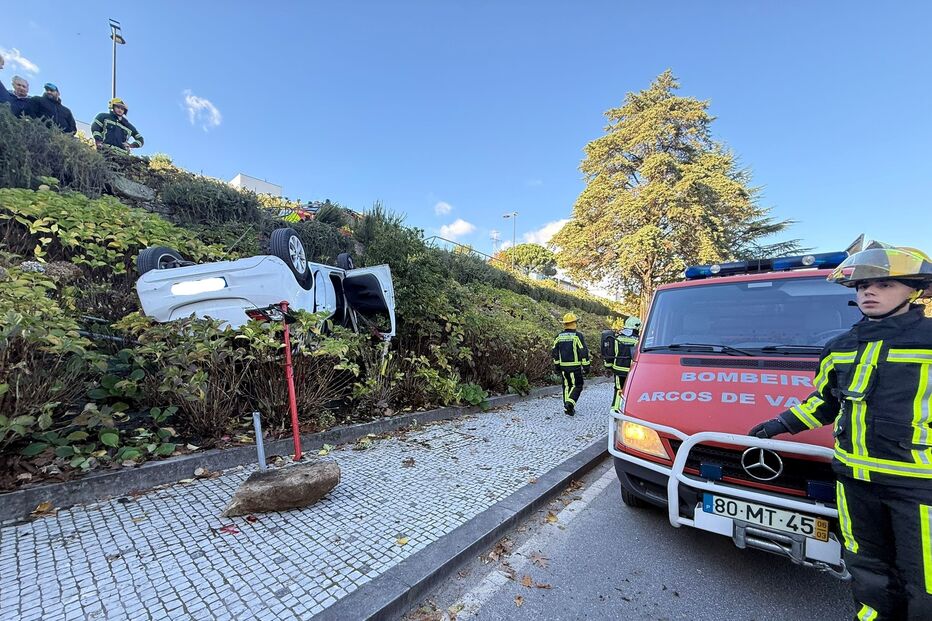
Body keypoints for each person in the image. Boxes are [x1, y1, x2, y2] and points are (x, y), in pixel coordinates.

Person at [749, 242, 932, 621]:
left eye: (884, 285)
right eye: (863, 286)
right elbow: (826, 402)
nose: (869, 292)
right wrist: (780, 424)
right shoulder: (840, 346)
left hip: (919, 483)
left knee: (925, 580)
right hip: (854, 479)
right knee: (867, 568)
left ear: (914, 289)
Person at [552, 312, 590, 416]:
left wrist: (557, 366)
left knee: (566, 386)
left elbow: (554, 352)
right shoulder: (577, 336)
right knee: (578, 385)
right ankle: (570, 403)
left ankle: (567, 408)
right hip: (575, 366)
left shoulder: (558, 337)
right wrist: (586, 366)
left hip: (563, 366)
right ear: (574, 323)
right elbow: (583, 351)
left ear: (564, 324)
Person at [605, 316, 640, 412]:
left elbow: (610, 353)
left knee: (618, 389)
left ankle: (615, 410)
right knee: (630, 391)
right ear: (636, 328)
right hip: (631, 370)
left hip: (618, 369)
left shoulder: (618, 338)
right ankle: (629, 411)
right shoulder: (638, 340)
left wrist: (608, 367)